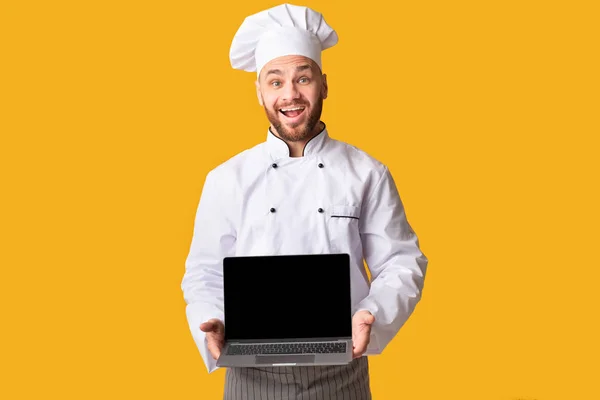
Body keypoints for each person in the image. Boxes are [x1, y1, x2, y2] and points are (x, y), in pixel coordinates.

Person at [181, 3, 428, 399]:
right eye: (275, 82)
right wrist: (211, 319)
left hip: (341, 376)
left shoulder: (367, 172)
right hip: (252, 379)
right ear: (259, 91)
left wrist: (371, 315)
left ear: (324, 85)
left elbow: (401, 260)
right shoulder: (226, 179)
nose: (290, 94)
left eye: (303, 78)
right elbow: (205, 272)